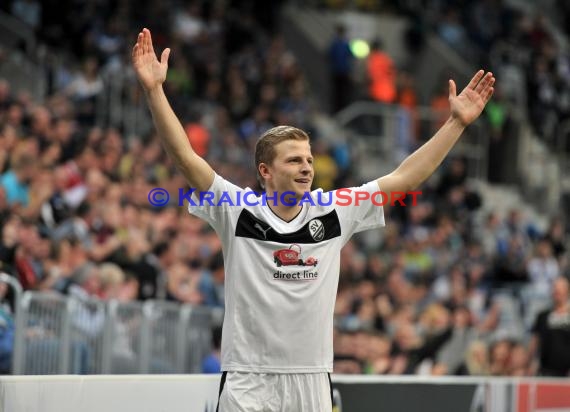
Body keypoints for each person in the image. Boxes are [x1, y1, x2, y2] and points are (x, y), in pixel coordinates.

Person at [132, 28, 495, 411]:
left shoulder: (334, 210)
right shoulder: (237, 210)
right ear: (265, 171)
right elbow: (188, 160)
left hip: (312, 377)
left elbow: (404, 178)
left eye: (308, 159)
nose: (306, 167)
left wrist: (455, 124)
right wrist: (155, 91)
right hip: (247, 377)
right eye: (293, 160)